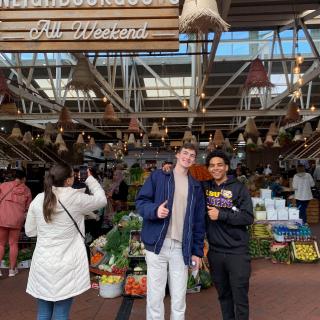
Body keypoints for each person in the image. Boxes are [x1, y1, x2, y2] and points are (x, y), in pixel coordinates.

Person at [24, 163, 107, 320]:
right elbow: (101, 200)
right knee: (61, 313)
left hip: (42, 263)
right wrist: (90, 179)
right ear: (68, 181)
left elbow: (30, 231)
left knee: (43, 313)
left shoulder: (38, 199)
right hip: (67, 265)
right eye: (73, 176)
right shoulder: (76, 198)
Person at [136, 143, 206, 320]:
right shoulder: (159, 176)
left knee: (179, 298)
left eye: (191, 155)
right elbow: (141, 202)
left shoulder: (196, 187)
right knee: (155, 296)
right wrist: (155, 211)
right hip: (157, 245)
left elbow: (199, 222)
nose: (187, 157)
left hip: (181, 248)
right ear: (177, 155)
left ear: (194, 160)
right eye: (185, 153)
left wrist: (197, 252)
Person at [202, 150, 254, 320]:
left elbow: (248, 217)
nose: (215, 168)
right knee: (223, 296)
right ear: (208, 168)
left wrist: (221, 215)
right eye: (212, 165)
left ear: (226, 167)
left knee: (240, 298)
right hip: (216, 252)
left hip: (237, 252)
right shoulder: (206, 187)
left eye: (219, 165)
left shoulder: (239, 188)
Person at [0, 169, 32, 277]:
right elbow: (28, 207)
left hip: (2, 218)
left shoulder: (3, 185)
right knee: (13, 244)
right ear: (23, 178)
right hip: (17, 220)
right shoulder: (27, 190)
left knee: (0, 244)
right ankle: (12, 270)